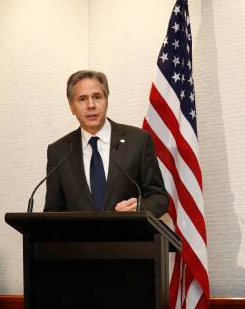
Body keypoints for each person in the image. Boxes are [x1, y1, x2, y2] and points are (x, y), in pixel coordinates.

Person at [44, 70, 168, 217]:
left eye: (97, 97)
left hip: (129, 238)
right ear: (71, 106)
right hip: (80, 240)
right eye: (82, 99)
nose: (91, 105)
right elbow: (53, 211)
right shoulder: (59, 152)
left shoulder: (138, 141)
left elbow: (159, 198)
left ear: (106, 100)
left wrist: (139, 208)